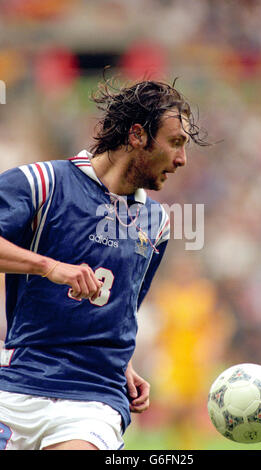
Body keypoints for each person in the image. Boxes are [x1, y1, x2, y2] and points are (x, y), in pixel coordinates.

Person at [0, 78, 207, 450]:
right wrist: (49, 266)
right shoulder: (43, 184)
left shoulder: (156, 223)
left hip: (92, 398)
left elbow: (118, 312)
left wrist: (123, 364)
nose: (181, 160)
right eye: (175, 143)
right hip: (16, 385)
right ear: (138, 135)